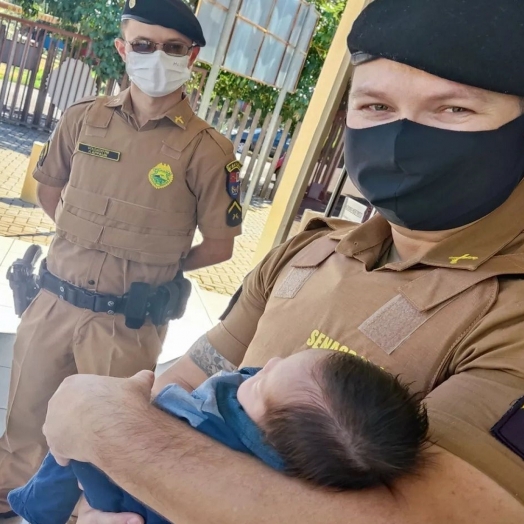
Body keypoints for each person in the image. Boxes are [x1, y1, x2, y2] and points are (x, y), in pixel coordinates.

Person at [42, 0, 524, 523]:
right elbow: (184, 382)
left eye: (454, 109)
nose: (402, 137)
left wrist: (111, 432)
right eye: (375, 107)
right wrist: (99, 500)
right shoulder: (309, 252)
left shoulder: (509, 311)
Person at [0, 0, 243, 518]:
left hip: (126, 323)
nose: (158, 57)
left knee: (103, 446)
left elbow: (219, 246)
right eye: (143, 44)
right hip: (53, 304)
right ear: (122, 48)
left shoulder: (208, 151)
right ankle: (13, 496)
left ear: (192, 55)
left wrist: (154, 268)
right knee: (24, 424)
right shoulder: (82, 119)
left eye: (173, 48)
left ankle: (78, 513)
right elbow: (50, 188)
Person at [9, 349, 428, 524]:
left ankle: (35, 503)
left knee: (70, 452)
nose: (270, 360)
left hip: (123, 493)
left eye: (262, 379)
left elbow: (125, 419)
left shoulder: (211, 423)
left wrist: (113, 413)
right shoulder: (303, 453)